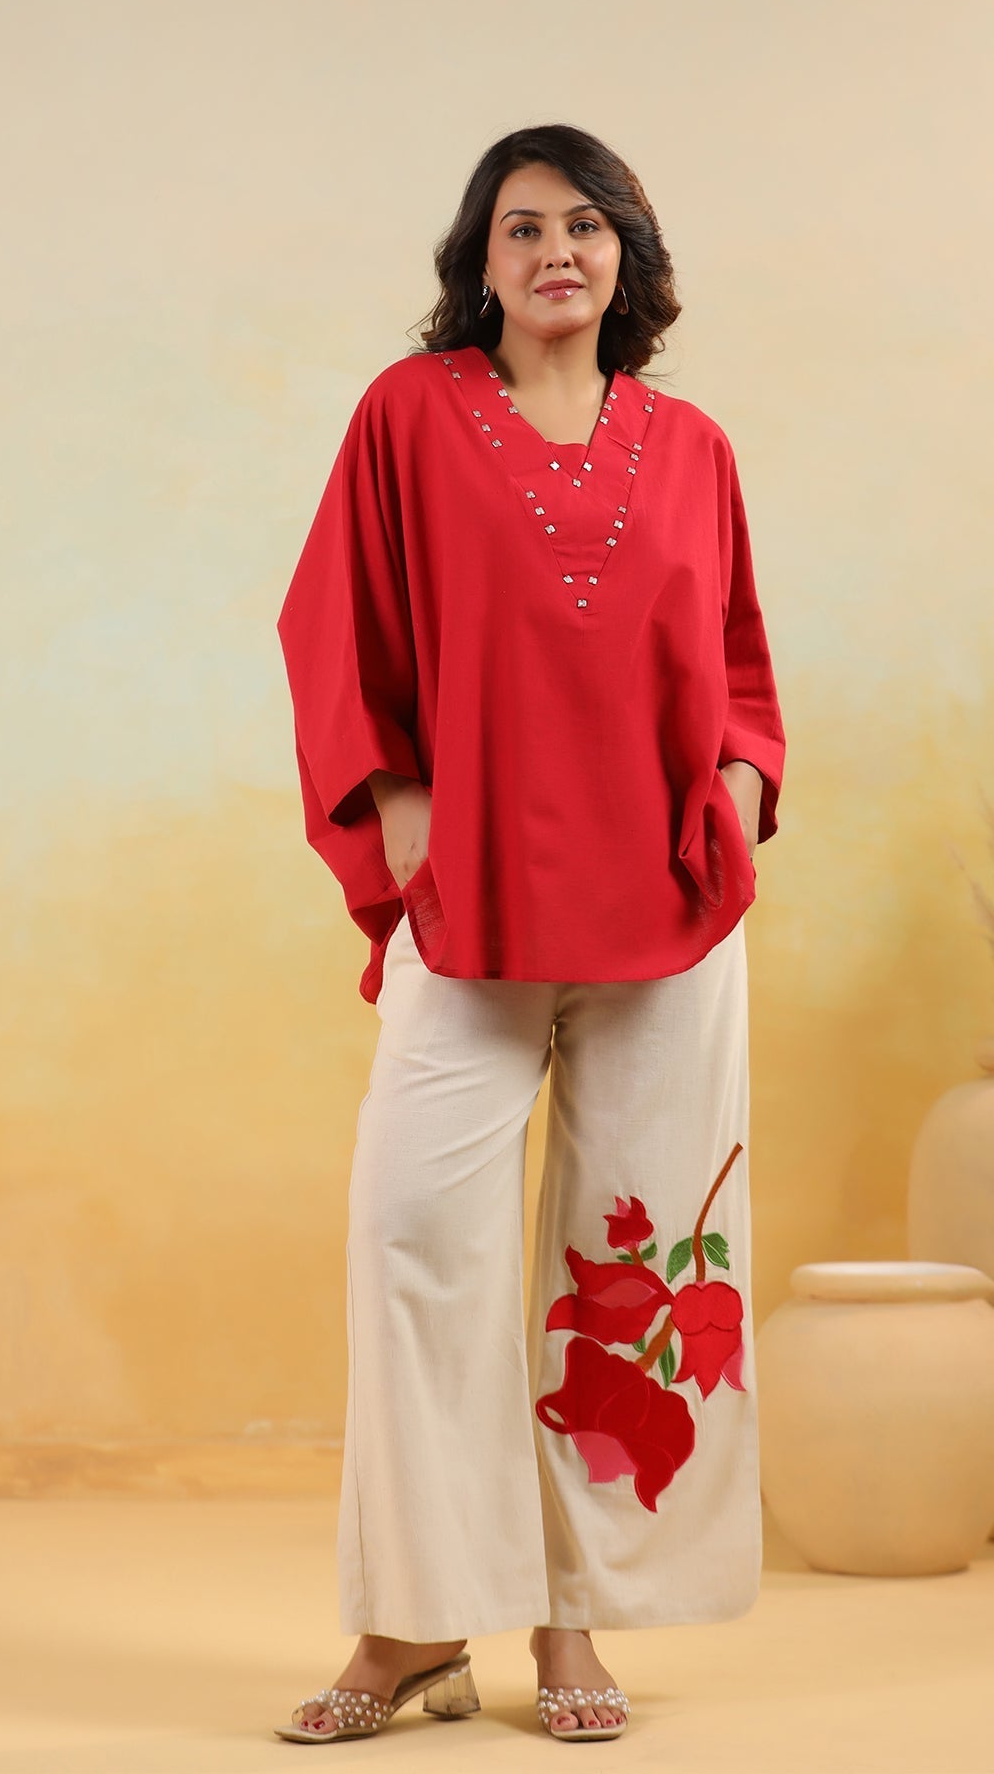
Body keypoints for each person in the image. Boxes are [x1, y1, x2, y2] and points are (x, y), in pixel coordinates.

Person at [273, 122, 786, 1746]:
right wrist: (398, 803)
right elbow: (335, 621)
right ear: (479, 262)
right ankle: (415, 1625)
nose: (556, 250)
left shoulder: (692, 445)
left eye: (585, 224)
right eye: (522, 227)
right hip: (476, 898)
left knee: (624, 1267)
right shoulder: (409, 417)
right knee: (414, 1236)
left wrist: (739, 790)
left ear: (627, 255)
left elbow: (743, 660)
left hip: (669, 912)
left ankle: (576, 1621)